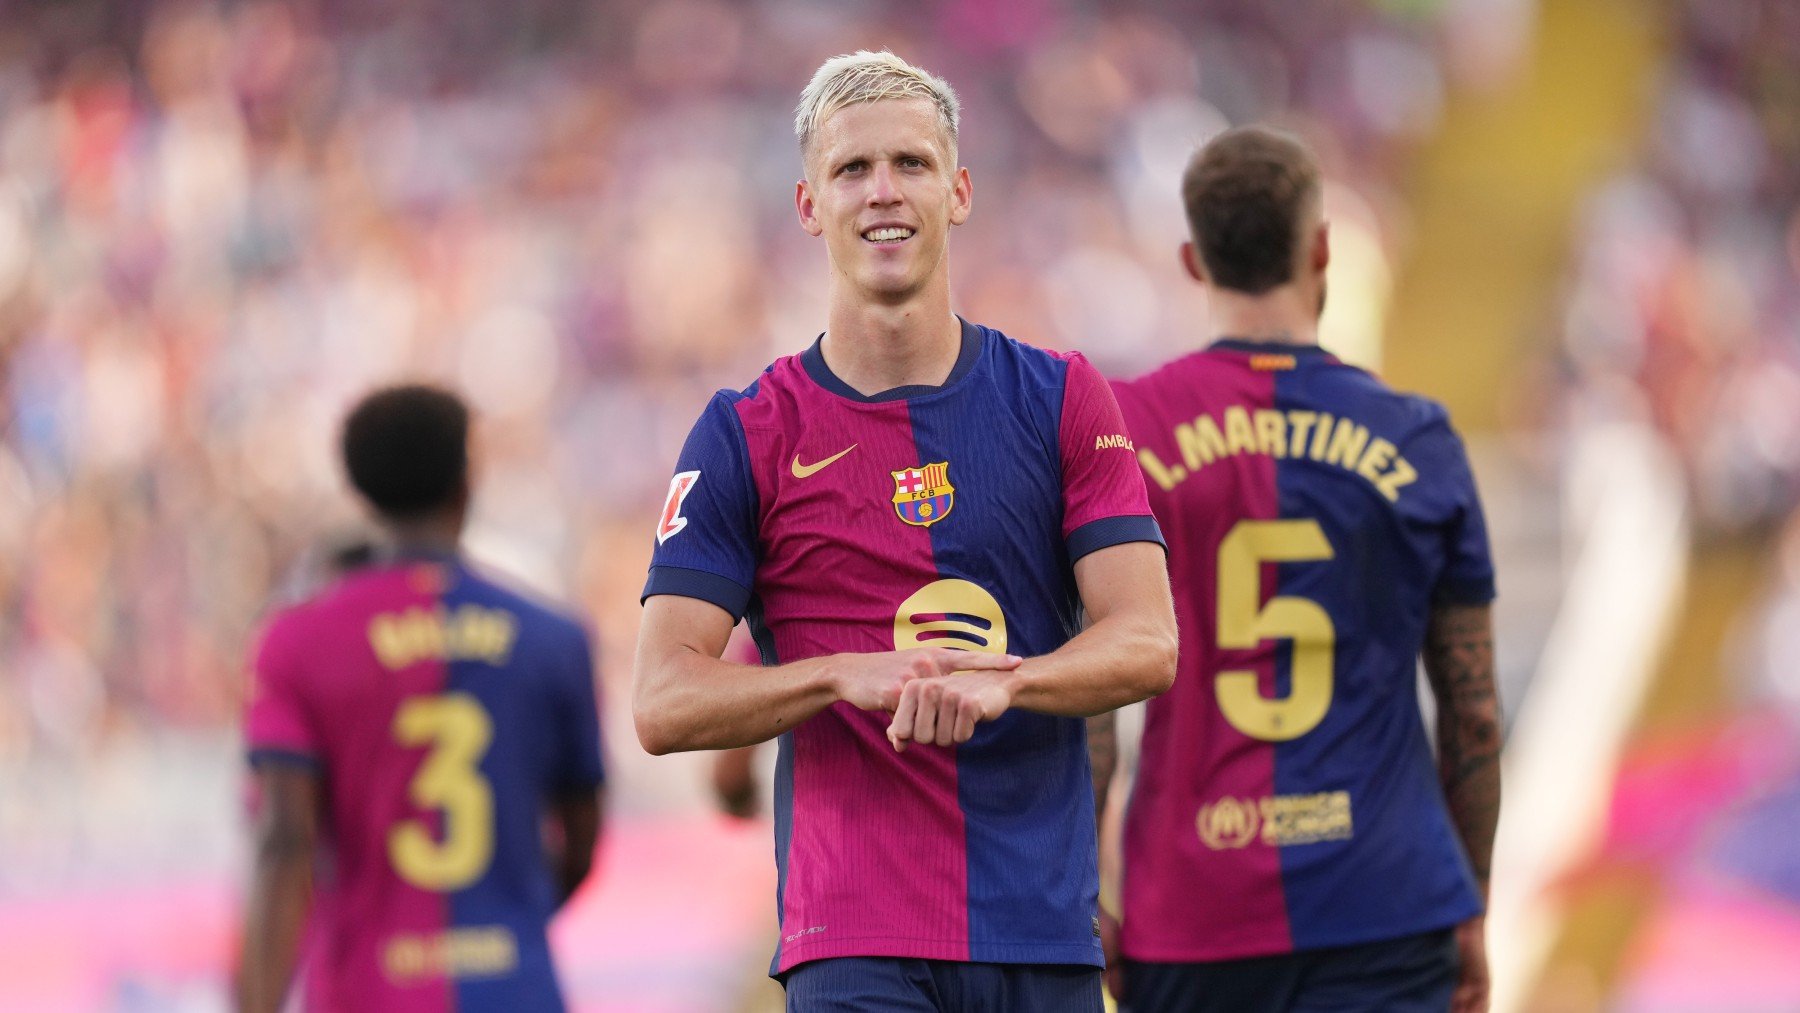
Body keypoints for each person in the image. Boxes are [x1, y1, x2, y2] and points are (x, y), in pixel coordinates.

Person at [633, 50, 1178, 1010]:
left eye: (912, 164)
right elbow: (663, 698)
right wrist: (839, 672)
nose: (884, 192)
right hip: (853, 939)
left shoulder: (1060, 398)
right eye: (851, 170)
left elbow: (1147, 639)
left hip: (1040, 929)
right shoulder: (744, 433)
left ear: (959, 190)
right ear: (809, 204)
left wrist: (1008, 681)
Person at [1100, 126, 1502, 1013]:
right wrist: (1468, 899)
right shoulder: (1418, 438)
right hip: (1389, 907)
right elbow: (1472, 711)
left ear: (1192, 260)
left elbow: (1089, 707)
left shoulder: (1125, 432)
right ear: (1321, 249)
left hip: (1190, 912)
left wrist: (1089, 895)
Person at [239, 385, 605, 1013]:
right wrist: (510, 915)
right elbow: (581, 837)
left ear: (360, 495)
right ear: (467, 484)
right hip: (514, 988)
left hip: (363, 990)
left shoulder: (297, 642)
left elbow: (285, 842)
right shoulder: (554, 639)